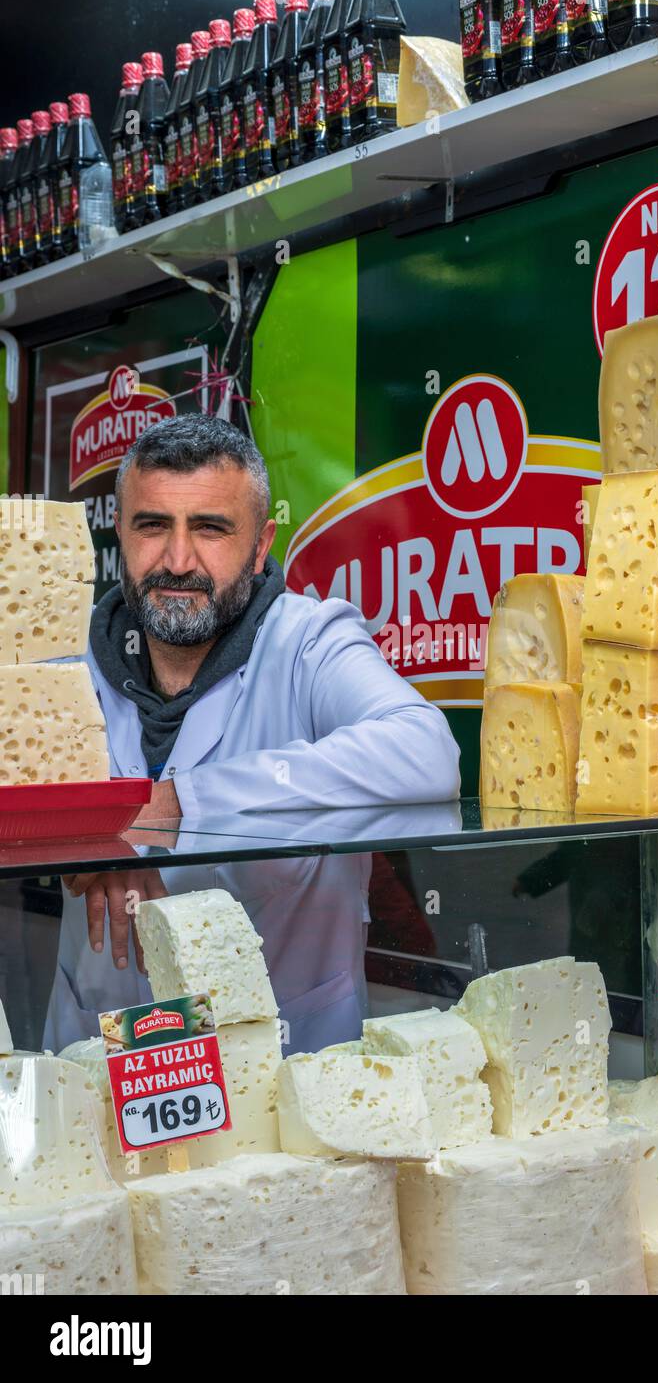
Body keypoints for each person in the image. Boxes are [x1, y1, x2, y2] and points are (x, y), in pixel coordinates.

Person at [45, 414, 460, 1049]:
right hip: (97, 1055)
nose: (178, 560)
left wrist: (184, 803)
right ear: (121, 533)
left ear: (262, 543)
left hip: (281, 1065)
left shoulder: (310, 642)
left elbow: (427, 754)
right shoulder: (64, 665)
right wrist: (80, 833)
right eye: (152, 525)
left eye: (210, 528)